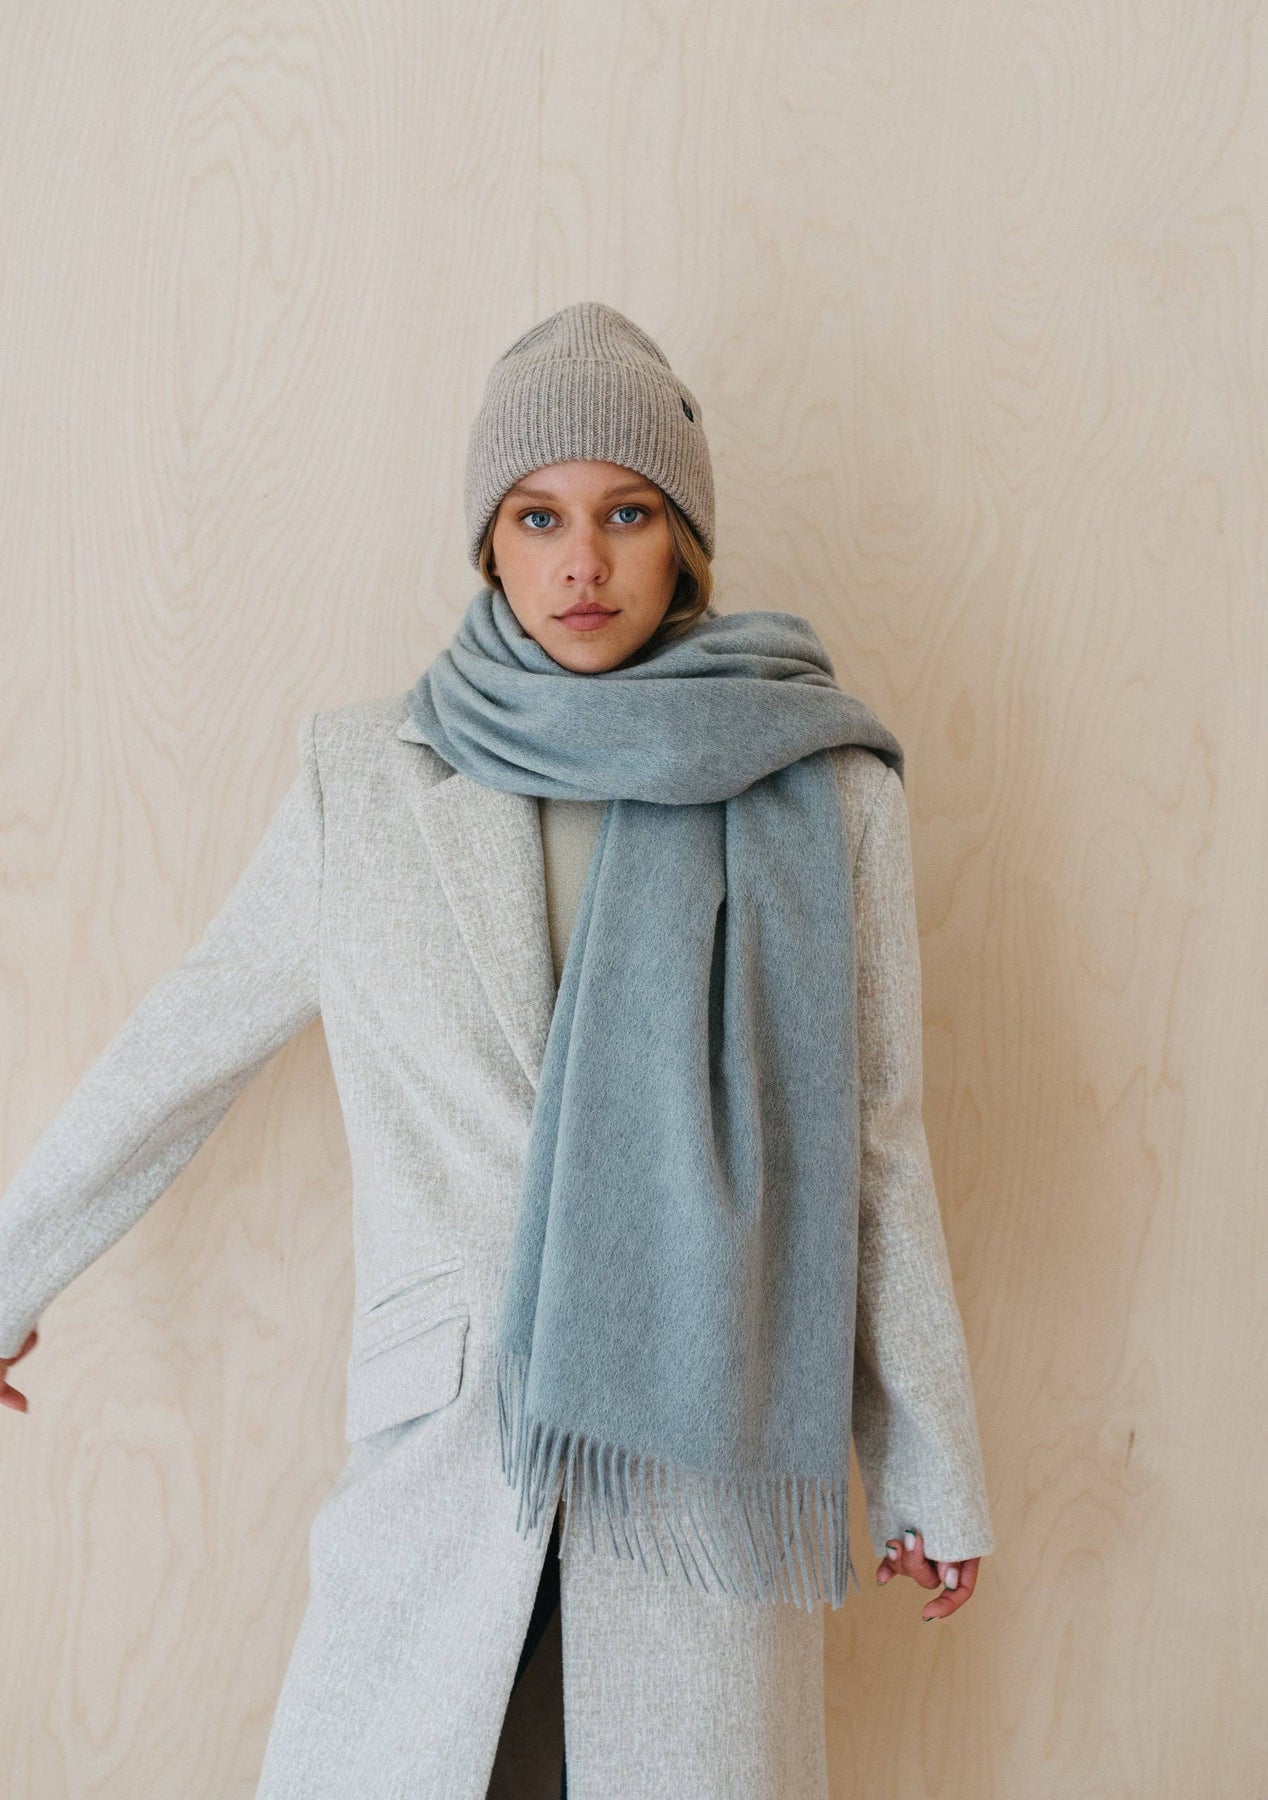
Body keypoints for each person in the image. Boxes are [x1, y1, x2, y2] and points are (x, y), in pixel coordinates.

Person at [0, 302, 994, 1799]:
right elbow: (179, 1047)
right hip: (448, 1459)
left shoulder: (819, 785)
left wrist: (927, 1463)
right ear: (490, 539)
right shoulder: (366, 779)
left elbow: (873, 1140)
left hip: (694, 1466)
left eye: (626, 513)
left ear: (685, 541)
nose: (581, 561)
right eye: (539, 516)